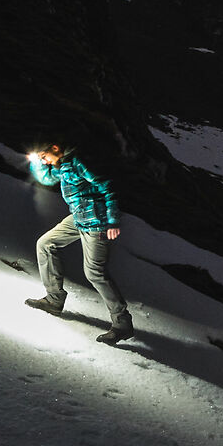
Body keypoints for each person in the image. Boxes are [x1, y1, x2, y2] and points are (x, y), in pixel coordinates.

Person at [24, 142, 135, 343]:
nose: (44, 160)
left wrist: (112, 220)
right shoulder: (63, 168)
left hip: (97, 222)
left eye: (44, 156)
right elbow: (46, 178)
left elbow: (107, 186)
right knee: (45, 244)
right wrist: (36, 163)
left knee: (94, 272)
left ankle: (122, 324)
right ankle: (54, 300)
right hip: (78, 219)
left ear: (55, 148)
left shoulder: (79, 163)